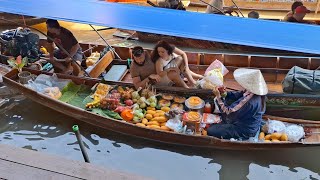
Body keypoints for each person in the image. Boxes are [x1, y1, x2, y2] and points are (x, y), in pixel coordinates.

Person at [207, 68, 268, 139]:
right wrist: (224, 93)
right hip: (243, 120)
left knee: (210, 130)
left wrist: (218, 97)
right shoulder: (253, 92)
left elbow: (228, 113)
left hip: (244, 129)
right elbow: (239, 94)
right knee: (218, 123)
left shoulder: (250, 102)